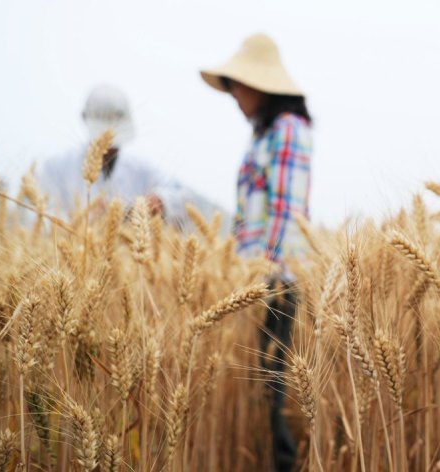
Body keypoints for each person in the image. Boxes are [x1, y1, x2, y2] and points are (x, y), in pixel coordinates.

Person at [201, 33, 313, 472]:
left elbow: (286, 208)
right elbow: (247, 215)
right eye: (228, 85)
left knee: (270, 386)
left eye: (237, 85)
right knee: (258, 386)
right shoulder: (262, 135)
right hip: (252, 279)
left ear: (261, 85)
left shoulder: (289, 131)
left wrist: (262, 272)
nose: (233, 95)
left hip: (276, 280)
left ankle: (284, 465)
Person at [38, 84, 222, 228]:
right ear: (84, 120)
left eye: (113, 140)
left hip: (126, 269)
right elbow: (40, 219)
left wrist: (160, 201)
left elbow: (184, 196)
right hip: (69, 267)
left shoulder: (139, 168)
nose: (107, 147)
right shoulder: (56, 168)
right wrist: (84, 221)